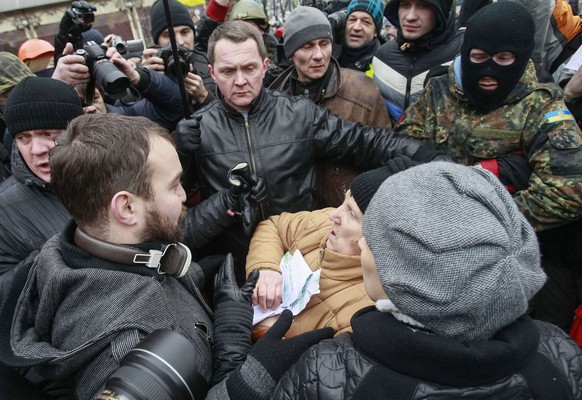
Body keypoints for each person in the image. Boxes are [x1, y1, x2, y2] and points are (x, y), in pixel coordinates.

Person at [0, 113, 333, 399]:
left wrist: (200, 281)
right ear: (126, 207)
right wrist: (251, 375)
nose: (184, 195)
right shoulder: (124, 348)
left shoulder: (85, 248)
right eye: (174, 186)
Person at [271, 162, 582, 400]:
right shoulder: (560, 353)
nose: (364, 246)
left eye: (381, 244)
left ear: (419, 276)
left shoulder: (330, 370)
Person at [175, 20, 447, 269]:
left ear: (265, 66)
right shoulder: (197, 129)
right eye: (227, 71)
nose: (240, 80)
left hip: (305, 260)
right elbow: (172, 211)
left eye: (249, 68)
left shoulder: (299, 114)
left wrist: (427, 157)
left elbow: (366, 142)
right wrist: (181, 153)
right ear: (212, 72)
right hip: (237, 269)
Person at [395, 1, 582, 332]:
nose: (489, 71)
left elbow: (569, 190)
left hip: (503, 265)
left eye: (503, 60)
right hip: (431, 249)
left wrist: (484, 219)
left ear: (521, 57)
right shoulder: (440, 89)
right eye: (478, 58)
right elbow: (403, 145)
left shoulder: (541, 106)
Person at [247, 159, 414, 339]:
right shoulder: (323, 224)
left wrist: (268, 333)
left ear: (380, 239)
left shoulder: (362, 316)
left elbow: (315, 364)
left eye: (351, 213)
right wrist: (265, 268)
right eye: (344, 200)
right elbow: (274, 226)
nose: (332, 214)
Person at [270, 5, 391, 207]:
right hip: (295, 221)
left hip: (345, 216)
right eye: (307, 46)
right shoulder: (274, 98)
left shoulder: (363, 90)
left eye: (324, 43)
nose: (318, 55)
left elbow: (383, 156)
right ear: (290, 53)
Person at [0, 77, 83, 306]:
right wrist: (53, 255)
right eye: (23, 138)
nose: (36, 150)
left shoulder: (116, 172)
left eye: (49, 134)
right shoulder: (4, 208)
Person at [372, 0, 463, 124]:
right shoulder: (382, 56)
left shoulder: (461, 57)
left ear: (441, 11)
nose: (410, 17)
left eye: (424, 6)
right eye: (405, 5)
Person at [143, 0, 214, 109]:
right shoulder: (150, 69)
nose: (179, 42)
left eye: (185, 32)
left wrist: (205, 97)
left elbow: (233, 116)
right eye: (168, 35)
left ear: (193, 34)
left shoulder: (211, 63)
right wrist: (144, 81)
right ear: (157, 42)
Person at [332, 0, 385, 76]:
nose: (356, 27)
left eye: (366, 22)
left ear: (376, 32)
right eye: (352, 20)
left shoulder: (383, 65)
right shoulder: (328, 53)